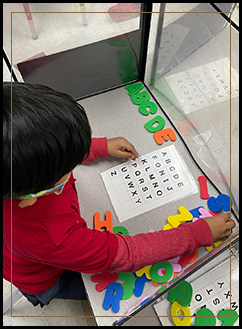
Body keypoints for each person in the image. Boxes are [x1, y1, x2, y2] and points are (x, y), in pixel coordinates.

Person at [3, 82, 235, 308]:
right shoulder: (56, 237)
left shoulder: (16, 178)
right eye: (67, 165)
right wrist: (197, 234)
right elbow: (127, 254)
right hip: (45, 278)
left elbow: (43, 148)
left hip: (23, 250)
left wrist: (95, 147)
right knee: (94, 287)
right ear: (31, 195)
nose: (73, 165)